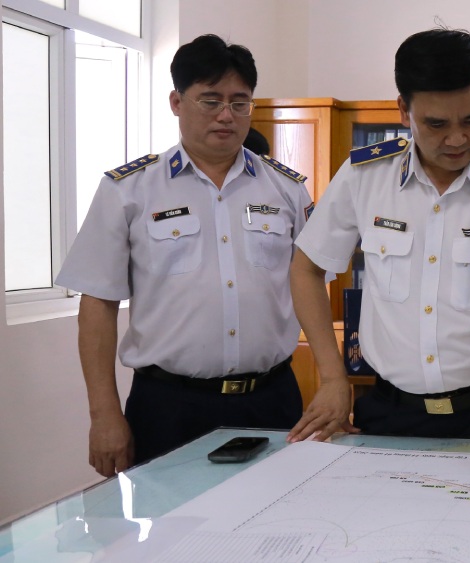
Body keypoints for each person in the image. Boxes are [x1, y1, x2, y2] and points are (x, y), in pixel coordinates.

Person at [289, 28, 470, 506]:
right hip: (390, 414)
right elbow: (306, 268)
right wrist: (333, 379)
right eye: (436, 124)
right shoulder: (364, 175)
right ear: (404, 111)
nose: (458, 139)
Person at [55, 34, 313, 476]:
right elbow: (97, 304)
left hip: (272, 399)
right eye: (210, 100)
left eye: (240, 102)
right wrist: (104, 415)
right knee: (172, 535)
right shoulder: (130, 190)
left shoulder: (287, 189)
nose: (227, 116)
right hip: (169, 405)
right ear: (177, 101)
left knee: (275, 531)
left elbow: (310, 284)